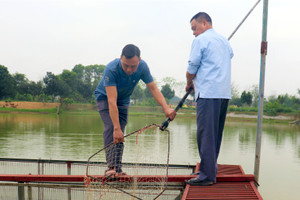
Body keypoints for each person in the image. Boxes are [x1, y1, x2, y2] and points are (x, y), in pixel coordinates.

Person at [94, 44, 176, 177]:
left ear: (139, 60)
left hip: (124, 100)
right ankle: (111, 167)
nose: (129, 69)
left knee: (121, 132)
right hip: (105, 98)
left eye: (133, 66)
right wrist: (116, 127)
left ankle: (118, 168)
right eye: (126, 65)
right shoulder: (111, 68)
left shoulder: (143, 67)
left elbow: (153, 88)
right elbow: (111, 101)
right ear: (121, 58)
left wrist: (166, 108)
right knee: (112, 128)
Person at [185, 12, 234, 186]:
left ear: (204, 23)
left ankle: (206, 176)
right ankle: (209, 168)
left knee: (205, 134)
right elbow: (229, 56)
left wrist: (189, 82)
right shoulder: (224, 41)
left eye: (194, 28)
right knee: (215, 135)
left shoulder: (200, 41)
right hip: (223, 94)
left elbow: (192, 67)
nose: (193, 32)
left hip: (208, 93)